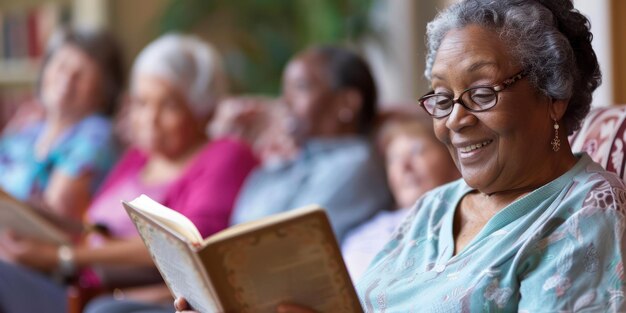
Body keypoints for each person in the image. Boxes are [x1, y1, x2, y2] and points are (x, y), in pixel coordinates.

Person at [172, 0, 626, 312]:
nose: (454, 120)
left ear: (554, 95)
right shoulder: (434, 208)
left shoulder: (585, 215)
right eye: (442, 98)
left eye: (482, 93)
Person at [0, 33, 258, 313]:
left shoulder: (225, 154)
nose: (150, 118)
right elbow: (95, 228)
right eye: (142, 103)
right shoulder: (138, 156)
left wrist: (63, 257)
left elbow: (190, 245)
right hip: (75, 283)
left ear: (204, 110)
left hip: (106, 298)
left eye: (169, 105)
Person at [230, 46, 393, 243]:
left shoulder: (355, 164)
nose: (284, 101)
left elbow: (293, 243)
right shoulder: (282, 164)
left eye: (300, 87)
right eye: (284, 91)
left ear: (346, 103)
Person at [0, 27, 123, 221]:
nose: (66, 80)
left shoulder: (97, 134)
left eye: (80, 75)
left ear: (104, 91)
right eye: (61, 66)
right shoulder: (30, 129)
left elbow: (57, 213)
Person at [341, 112, 460, 281]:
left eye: (417, 151)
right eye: (394, 158)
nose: (404, 166)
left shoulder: (472, 221)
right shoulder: (361, 239)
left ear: (454, 161)